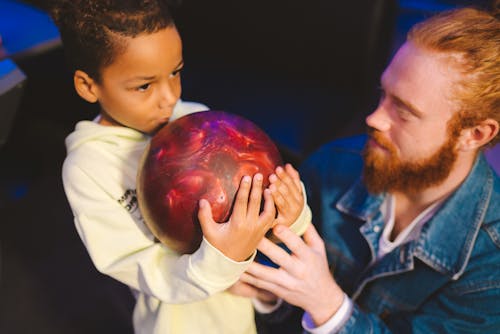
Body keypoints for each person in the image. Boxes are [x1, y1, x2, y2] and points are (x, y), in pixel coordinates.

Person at [48, 1, 311, 333]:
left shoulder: (198, 123)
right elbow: (141, 265)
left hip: (237, 315)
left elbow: (256, 208)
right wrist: (219, 267)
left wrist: (290, 212)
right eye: (144, 86)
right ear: (89, 86)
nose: (169, 97)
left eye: (175, 72)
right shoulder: (88, 168)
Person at [237, 4, 500, 333]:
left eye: (403, 111)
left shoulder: (491, 263)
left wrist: (328, 306)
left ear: (474, 134)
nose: (374, 119)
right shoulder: (333, 164)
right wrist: (267, 294)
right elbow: (280, 314)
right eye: (383, 94)